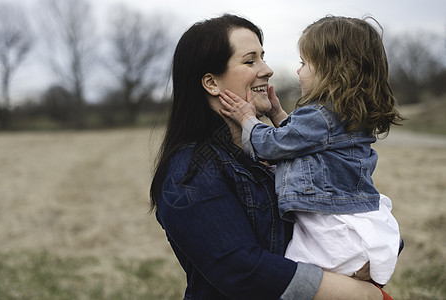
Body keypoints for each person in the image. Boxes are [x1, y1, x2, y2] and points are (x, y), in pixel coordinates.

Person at [150, 14, 387, 299]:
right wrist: (359, 293)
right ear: (212, 83)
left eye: (264, 57)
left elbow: (354, 204)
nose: (268, 69)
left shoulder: (279, 154)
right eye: (250, 61)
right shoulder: (188, 173)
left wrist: (381, 251)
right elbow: (243, 270)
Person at [219, 15, 404, 288]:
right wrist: (278, 114)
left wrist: (248, 119)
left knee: (300, 278)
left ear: (331, 71)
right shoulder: (340, 115)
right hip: (349, 215)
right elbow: (302, 145)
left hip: (330, 225)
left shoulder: (320, 116)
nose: (298, 71)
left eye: (304, 63)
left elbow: (271, 145)